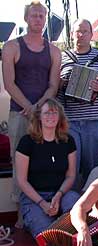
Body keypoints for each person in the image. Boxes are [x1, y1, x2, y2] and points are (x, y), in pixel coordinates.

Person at [2, 0, 61, 228]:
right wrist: (29, 107)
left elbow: (53, 84)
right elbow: (9, 83)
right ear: (26, 18)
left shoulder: (54, 51)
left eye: (42, 16)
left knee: (46, 161)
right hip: (19, 115)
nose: (38, 19)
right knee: (20, 165)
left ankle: (47, 207)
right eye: (34, 15)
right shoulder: (12, 47)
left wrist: (39, 108)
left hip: (45, 116)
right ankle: (20, 213)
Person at [57, 19, 98, 191]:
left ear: (91, 35)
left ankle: (92, 211)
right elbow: (54, 87)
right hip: (69, 121)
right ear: (71, 34)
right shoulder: (62, 57)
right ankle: (71, 208)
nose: (80, 35)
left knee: (93, 167)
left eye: (84, 32)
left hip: (93, 121)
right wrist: (62, 83)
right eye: (77, 31)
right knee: (70, 168)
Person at [15, 99, 79, 238]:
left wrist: (59, 195)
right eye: (46, 113)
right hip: (34, 198)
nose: (51, 116)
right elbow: (22, 180)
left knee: (75, 206)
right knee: (48, 236)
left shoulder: (68, 141)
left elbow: (71, 175)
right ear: (39, 117)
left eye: (54, 113)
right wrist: (42, 203)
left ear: (60, 116)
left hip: (61, 195)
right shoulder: (26, 142)